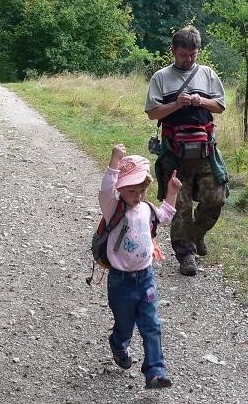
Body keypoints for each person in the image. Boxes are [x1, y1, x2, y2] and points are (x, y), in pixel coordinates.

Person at [145, 25, 229, 277]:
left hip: (205, 151)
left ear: (198, 52)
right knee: (179, 207)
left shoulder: (208, 74)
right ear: (173, 51)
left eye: (193, 54)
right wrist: (175, 104)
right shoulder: (160, 77)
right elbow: (152, 113)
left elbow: (220, 106)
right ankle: (185, 255)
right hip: (175, 153)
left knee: (216, 198)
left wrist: (200, 100)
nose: (188, 59)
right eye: (183, 54)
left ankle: (197, 234)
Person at [98, 144, 182, 389]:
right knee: (125, 326)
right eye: (133, 190)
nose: (139, 195)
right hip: (120, 282)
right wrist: (115, 160)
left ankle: (155, 371)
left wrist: (172, 192)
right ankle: (118, 344)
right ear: (121, 188)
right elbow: (105, 190)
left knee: (152, 325)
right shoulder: (113, 209)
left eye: (143, 189)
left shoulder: (146, 208)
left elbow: (165, 216)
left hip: (146, 277)